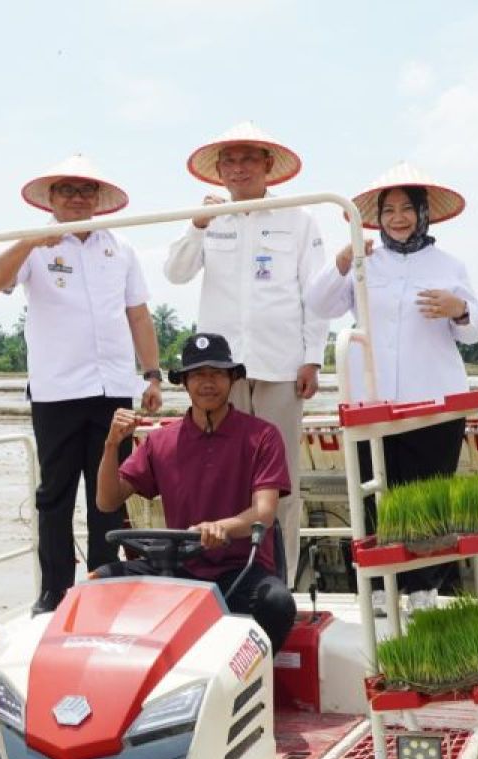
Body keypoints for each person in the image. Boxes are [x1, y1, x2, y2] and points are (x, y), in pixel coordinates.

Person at [0, 153, 164, 615]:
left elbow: (138, 315)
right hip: (57, 390)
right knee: (55, 495)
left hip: (112, 388)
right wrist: (29, 240)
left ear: (99, 199)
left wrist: (152, 374)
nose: (77, 198)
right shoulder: (34, 247)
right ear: (51, 198)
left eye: (86, 191)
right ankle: (55, 589)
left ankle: (104, 580)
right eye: (67, 190)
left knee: (110, 492)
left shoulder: (120, 248)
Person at [305, 162, 478, 594]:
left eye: (407, 208)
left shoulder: (449, 265)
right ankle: (381, 591)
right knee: (375, 495)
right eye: (388, 210)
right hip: (373, 401)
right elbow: (318, 304)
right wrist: (341, 262)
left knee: (428, 497)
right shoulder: (364, 262)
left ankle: (424, 589)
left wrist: (459, 310)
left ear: (423, 213)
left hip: (434, 400)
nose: (398, 218)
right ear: (376, 218)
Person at [163, 121, 328, 586]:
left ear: (267, 165)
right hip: (221, 373)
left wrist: (313, 356)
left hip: (281, 364)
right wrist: (198, 225)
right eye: (229, 161)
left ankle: (280, 581)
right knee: (221, 475)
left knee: (281, 480)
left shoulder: (298, 218)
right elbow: (175, 272)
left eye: (248, 159)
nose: (238, 169)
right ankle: (225, 576)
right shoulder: (209, 219)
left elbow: (316, 294)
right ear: (218, 171)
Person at [93, 333, 297, 651]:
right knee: (95, 585)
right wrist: (110, 445)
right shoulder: (160, 442)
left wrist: (221, 528)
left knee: (278, 604)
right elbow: (107, 501)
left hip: (240, 568)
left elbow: (264, 512)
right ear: (185, 382)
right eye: (198, 374)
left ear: (232, 379)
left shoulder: (262, 436)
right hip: (178, 568)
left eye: (217, 373)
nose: (208, 382)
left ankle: (252, 675)